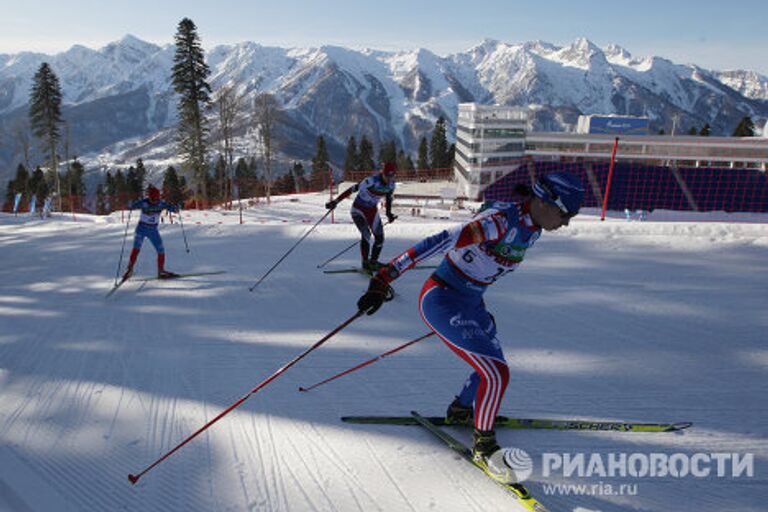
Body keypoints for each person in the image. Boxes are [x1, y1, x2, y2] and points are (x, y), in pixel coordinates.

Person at [356, 172, 585, 484]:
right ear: (545, 203)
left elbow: (498, 209)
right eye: (565, 214)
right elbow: (439, 241)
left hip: (472, 303)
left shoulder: (534, 227)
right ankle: (484, 445)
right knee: (497, 372)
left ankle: (461, 410)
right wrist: (384, 277)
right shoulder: (498, 224)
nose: (567, 222)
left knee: (490, 362)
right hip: (442, 299)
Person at [325, 162, 398, 272]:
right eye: (387, 176)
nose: (389, 179)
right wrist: (336, 201)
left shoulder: (392, 185)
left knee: (380, 238)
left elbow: (388, 198)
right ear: (382, 173)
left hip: (372, 211)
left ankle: (373, 263)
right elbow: (352, 189)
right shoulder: (371, 181)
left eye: (392, 176)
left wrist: (388, 213)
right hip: (358, 210)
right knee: (366, 235)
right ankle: (365, 263)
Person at [123, 185, 180, 280]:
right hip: (141, 229)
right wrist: (130, 205)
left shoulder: (161, 203)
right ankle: (130, 270)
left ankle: (161, 271)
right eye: (153, 199)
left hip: (153, 231)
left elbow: (172, 209)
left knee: (160, 250)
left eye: (157, 199)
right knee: (136, 249)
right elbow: (132, 205)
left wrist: (176, 209)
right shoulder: (143, 203)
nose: (155, 201)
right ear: (149, 197)